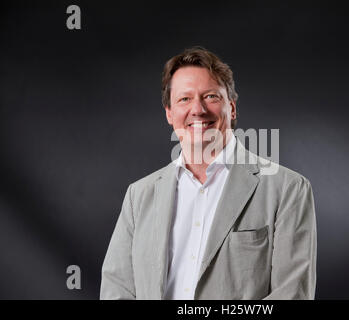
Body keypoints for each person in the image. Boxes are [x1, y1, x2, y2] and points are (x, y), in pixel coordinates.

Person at [100, 47, 317, 300]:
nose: (198, 110)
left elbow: (292, 294)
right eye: (184, 99)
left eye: (211, 96)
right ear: (169, 113)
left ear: (232, 108)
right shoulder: (139, 196)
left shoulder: (288, 190)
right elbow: (117, 290)